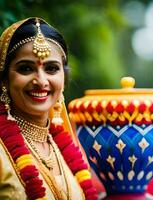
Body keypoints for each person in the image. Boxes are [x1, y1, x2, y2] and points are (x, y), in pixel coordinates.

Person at [0, 17, 97, 200]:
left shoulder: (71, 151)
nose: (41, 81)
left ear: (63, 78)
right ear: (4, 79)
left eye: (51, 68)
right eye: (26, 69)